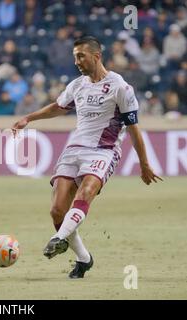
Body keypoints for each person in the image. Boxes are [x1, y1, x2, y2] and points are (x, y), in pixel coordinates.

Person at [12, 36, 162, 279]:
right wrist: (28, 118)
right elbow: (58, 107)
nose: (77, 61)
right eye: (74, 57)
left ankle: (58, 240)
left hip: (103, 150)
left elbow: (134, 128)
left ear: (96, 56)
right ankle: (84, 258)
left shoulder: (120, 88)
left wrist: (144, 164)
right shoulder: (77, 85)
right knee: (57, 211)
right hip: (73, 150)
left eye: (81, 56)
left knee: (86, 193)